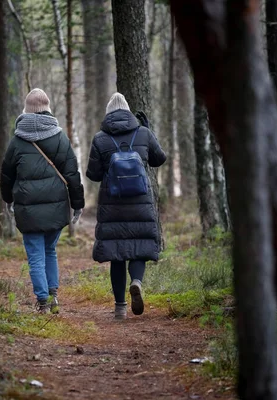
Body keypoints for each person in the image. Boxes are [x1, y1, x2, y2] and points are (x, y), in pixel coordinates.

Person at [0, 88, 84, 314]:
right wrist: (78, 204)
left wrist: (7, 200)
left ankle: (43, 302)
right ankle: (53, 296)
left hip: (28, 210)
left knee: (36, 255)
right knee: (50, 251)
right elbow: (72, 174)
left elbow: (6, 174)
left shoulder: (17, 141)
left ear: (26, 110)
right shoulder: (60, 137)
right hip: (57, 208)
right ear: (47, 109)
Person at [86, 92, 167, 320]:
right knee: (139, 246)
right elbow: (159, 159)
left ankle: (120, 307)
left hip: (112, 204)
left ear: (108, 113)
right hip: (140, 202)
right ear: (129, 111)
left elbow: (92, 174)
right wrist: (149, 131)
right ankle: (138, 282)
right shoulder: (142, 132)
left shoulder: (100, 138)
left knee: (117, 254)